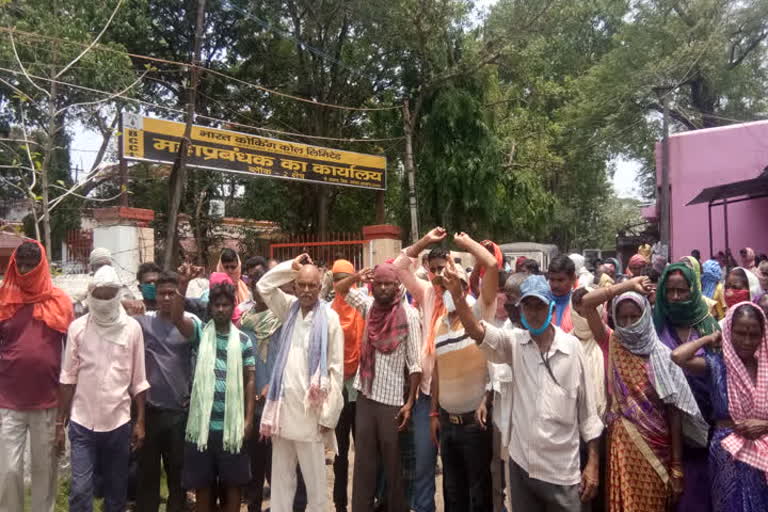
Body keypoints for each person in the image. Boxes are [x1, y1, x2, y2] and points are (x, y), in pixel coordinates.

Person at [445, 270, 603, 511]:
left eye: (539, 306)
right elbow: (478, 332)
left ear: (551, 308)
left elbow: (588, 413)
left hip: (562, 471)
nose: (533, 313)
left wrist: (592, 464)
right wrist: (458, 297)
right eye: (527, 306)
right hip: (523, 468)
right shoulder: (515, 343)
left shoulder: (572, 348)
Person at [582, 278, 708, 511]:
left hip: (657, 449)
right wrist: (627, 286)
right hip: (621, 445)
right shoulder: (611, 341)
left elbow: (674, 412)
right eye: (623, 318)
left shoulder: (660, 354)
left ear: (645, 316)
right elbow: (587, 303)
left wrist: (677, 465)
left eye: (634, 317)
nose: (629, 323)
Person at [56, 265, 149, 512]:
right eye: (101, 295)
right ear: (91, 295)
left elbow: (138, 381)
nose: (105, 301)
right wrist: (58, 424)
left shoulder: (132, 329)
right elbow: (67, 378)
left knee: (116, 492)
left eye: (110, 295)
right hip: (82, 422)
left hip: (118, 423)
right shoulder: (78, 328)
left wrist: (140, 421)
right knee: (80, 491)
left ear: (118, 295)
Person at [257, 254, 344, 512]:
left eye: (312, 285)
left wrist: (327, 418)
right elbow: (264, 286)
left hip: (311, 417)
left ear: (321, 287)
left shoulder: (329, 319)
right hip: (283, 413)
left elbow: (335, 371)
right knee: (282, 483)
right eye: (301, 284)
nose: (306, 291)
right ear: (294, 285)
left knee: (316, 487)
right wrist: (290, 267)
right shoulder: (289, 308)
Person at [333, 263, 422, 512]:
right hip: (365, 396)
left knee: (393, 465)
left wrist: (410, 402)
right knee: (364, 463)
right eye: (379, 283)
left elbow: (415, 364)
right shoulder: (369, 306)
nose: (383, 288)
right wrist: (356, 276)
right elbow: (339, 289)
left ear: (397, 286)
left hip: (392, 402)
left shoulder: (409, 314)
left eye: (388, 284)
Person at [671, 302, 768, 511]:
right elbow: (678, 356)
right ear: (728, 332)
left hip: (763, 452)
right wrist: (709, 338)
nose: (747, 341)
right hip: (727, 454)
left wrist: (764, 425)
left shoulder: (765, 367)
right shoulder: (716, 365)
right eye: (740, 333)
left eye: (754, 335)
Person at [0, 240, 74, 512]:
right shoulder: (4, 299)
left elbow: (73, 354)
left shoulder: (60, 301)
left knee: (45, 472)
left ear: (41, 265)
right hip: (8, 401)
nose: (25, 270)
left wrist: (66, 411)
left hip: (48, 402)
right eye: (21, 265)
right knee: (8, 472)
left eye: (32, 265)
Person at [172, 281, 256, 512]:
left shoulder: (243, 341)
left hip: (232, 427)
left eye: (225, 305)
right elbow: (177, 318)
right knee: (203, 486)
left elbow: (250, 380)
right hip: (203, 428)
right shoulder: (201, 333)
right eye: (216, 305)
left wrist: (248, 420)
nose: (220, 309)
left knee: (233, 485)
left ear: (233, 307)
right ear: (210, 307)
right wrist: (183, 282)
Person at [653, 262, 721, 512]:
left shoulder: (709, 325)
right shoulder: (655, 324)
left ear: (693, 290)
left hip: (706, 424)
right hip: (663, 422)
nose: (675, 297)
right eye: (670, 291)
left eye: (682, 291)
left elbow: (719, 371)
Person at [392, 227, 450, 512]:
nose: (440, 274)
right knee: (424, 469)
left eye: (444, 268)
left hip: (454, 398)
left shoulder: (465, 302)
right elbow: (399, 265)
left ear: (452, 267)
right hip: (426, 396)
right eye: (435, 269)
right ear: (428, 270)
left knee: (453, 474)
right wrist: (426, 241)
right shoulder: (426, 292)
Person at [134, 271, 197, 512]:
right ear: (155, 296)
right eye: (163, 293)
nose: (167, 298)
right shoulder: (143, 323)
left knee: (177, 476)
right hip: (150, 413)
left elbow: (186, 324)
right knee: (147, 476)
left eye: (172, 293)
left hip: (179, 413)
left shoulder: (188, 324)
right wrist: (129, 303)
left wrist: (185, 284)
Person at [329, 259, 365, 512]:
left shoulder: (364, 309)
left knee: (363, 452)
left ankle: (362, 502)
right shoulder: (328, 311)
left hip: (362, 387)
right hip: (338, 389)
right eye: (337, 278)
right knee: (340, 453)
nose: (342, 283)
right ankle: (339, 503)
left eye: (347, 277)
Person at [548, 255, 577, 333]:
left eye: (560, 280)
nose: (555, 285)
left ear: (573, 278)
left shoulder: (578, 304)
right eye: (552, 279)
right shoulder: (542, 303)